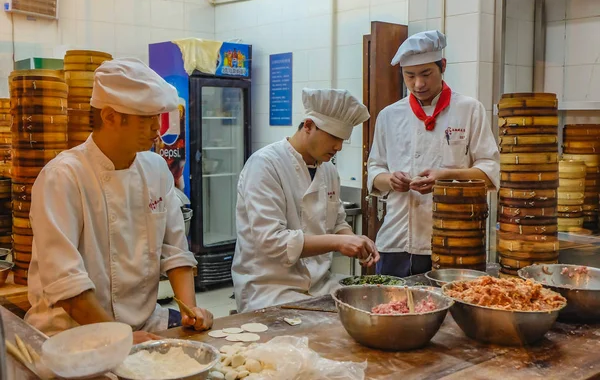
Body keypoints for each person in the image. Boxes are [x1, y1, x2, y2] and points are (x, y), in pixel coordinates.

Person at [25, 58, 213, 343]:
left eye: (158, 117)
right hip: (73, 335)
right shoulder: (63, 177)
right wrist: (118, 338)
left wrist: (191, 309)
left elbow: (175, 251)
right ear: (110, 116)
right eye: (145, 118)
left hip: (145, 323)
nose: (156, 129)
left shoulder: (156, 169)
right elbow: (67, 285)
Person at [232, 88, 379, 313]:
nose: (338, 147)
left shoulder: (328, 170)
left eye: (343, 140)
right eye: (334, 138)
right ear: (308, 125)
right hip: (269, 289)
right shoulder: (265, 165)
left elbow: (338, 222)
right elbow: (271, 241)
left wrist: (353, 239)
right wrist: (338, 243)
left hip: (320, 285)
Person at [367, 30, 500, 278]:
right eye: (410, 76)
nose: (418, 84)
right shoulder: (389, 115)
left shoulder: (469, 109)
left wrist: (447, 176)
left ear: (443, 66)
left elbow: (489, 170)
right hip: (395, 240)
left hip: (453, 239)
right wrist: (390, 180)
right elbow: (375, 168)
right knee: (394, 310)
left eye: (426, 74)